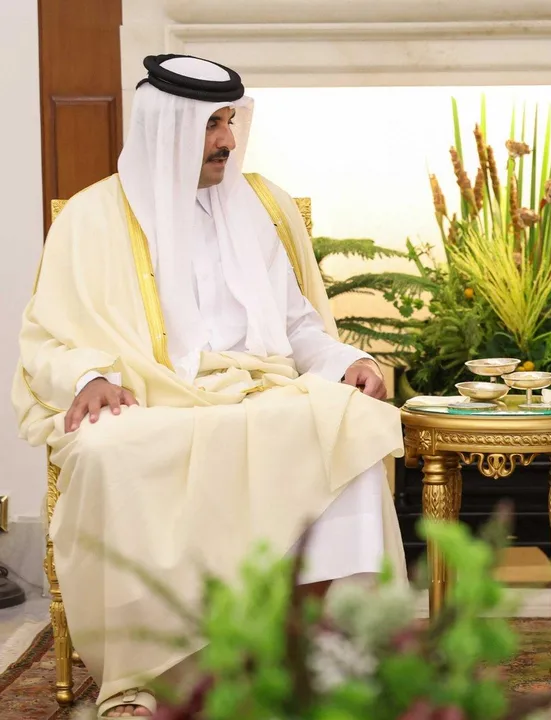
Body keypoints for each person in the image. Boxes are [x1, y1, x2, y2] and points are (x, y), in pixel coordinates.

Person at [12, 54, 406, 719]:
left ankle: (305, 651)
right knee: (107, 450)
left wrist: (346, 361)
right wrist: (91, 377)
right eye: (209, 126)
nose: (226, 140)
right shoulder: (91, 217)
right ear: (165, 128)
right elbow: (48, 334)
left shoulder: (260, 206)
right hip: (152, 400)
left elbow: (297, 327)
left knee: (355, 425)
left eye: (229, 122)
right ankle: (152, 674)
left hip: (259, 392)